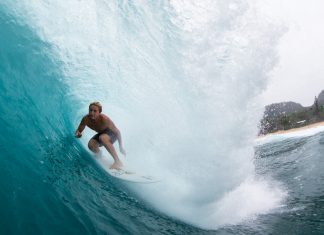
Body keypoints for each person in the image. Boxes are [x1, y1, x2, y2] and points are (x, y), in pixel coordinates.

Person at [75, 102, 126, 169]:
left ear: (99, 112)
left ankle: (118, 162)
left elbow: (117, 132)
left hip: (112, 134)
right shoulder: (86, 119)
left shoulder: (105, 120)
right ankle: (100, 155)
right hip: (102, 134)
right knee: (91, 145)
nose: (92, 113)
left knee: (102, 138)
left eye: (95, 111)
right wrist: (78, 134)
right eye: (90, 110)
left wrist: (120, 146)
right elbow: (79, 130)